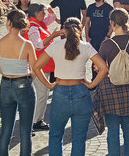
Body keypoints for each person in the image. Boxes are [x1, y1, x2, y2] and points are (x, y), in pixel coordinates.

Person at [33, 17, 108, 156]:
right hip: (81, 92)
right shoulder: (86, 46)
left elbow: (37, 66)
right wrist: (91, 84)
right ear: (80, 30)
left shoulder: (55, 46)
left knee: (55, 135)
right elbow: (103, 68)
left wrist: (48, 84)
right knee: (79, 139)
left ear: (63, 30)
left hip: (60, 91)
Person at [91, 8, 129, 156]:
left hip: (110, 89)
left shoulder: (107, 44)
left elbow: (99, 67)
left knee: (112, 130)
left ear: (112, 23)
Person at [0, 10, 37, 155]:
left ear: (9, 23)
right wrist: (29, 78)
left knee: (6, 128)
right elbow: (35, 68)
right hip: (23, 83)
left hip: (5, 85)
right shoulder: (27, 44)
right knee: (25, 131)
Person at [24, 4, 63, 131]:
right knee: (41, 94)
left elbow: (51, 18)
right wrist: (52, 36)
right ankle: (34, 122)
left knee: (43, 93)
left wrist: (50, 11)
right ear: (36, 14)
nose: (44, 14)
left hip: (43, 65)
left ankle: (37, 120)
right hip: (39, 66)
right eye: (42, 12)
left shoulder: (37, 23)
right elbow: (38, 46)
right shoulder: (33, 28)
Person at [85, 0, 113, 82]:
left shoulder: (108, 8)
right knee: (94, 60)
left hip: (104, 38)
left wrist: (108, 36)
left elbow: (112, 24)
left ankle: (104, 80)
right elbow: (87, 22)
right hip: (93, 38)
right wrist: (87, 36)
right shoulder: (91, 7)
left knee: (103, 60)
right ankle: (94, 80)